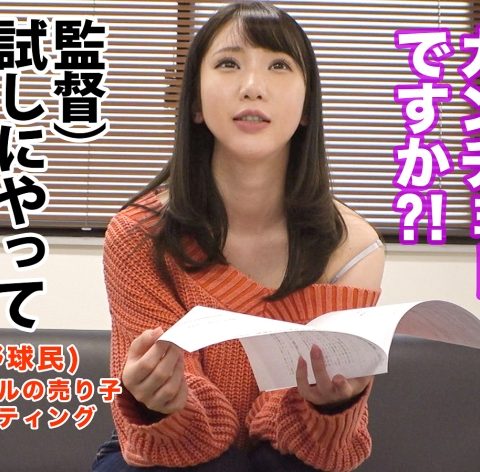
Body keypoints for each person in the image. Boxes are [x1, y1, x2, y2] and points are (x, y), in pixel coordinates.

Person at [91, 1, 385, 471]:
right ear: (195, 103)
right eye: (228, 64)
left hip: (290, 456)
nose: (253, 86)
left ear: (306, 108)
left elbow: (327, 451)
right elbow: (156, 436)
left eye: (279, 66)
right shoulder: (139, 234)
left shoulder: (352, 248)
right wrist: (158, 403)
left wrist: (333, 406)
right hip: (170, 451)